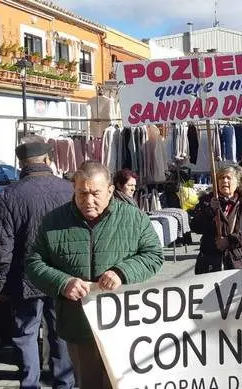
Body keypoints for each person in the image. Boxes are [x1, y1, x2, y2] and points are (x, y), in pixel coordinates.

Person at [26, 162, 164, 389]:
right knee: (88, 384)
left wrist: (123, 272)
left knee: (121, 384)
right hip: (78, 324)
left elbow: (154, 255)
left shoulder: (134, 218)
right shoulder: (54, 221)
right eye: (82, 193)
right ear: (74, 189)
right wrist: (63, 282)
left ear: (110, 190)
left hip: (123, 324)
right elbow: (34, 263)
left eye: (96, 193)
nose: (88, 201)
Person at [0, 141, 75, 389]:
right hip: (63, 276)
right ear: (47, 161)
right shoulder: (68, 189)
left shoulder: (8, 194)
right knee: (61, 333)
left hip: (25, 277)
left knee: (26, 334)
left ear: (21, 164)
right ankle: (65, 384)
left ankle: (29, 384)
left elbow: (1, 246)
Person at [191, 164, 242, 274]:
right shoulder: (207, 200)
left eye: (228, 178)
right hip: (210, 261)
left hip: (238, 262)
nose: (224, 180)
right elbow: (195, 226)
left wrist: (229, 241)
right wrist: (210, 210)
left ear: (237, 182)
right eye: (221, 178)